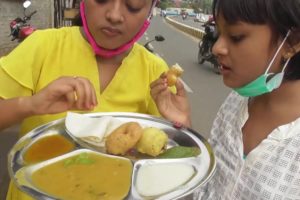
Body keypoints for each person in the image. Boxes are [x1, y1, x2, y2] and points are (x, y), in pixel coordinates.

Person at [0, 0, 170, 199]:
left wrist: (182, 123)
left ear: (150, 10)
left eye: (133, 5)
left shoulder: (157, 73)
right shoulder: (42, 46)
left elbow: (169, 159)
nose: (114, 15)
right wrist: (30, 104)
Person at [150, 0, 300, 199]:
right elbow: (207, 188)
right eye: (220, 34)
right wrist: (186, 130)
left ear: (290, 43)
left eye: (236, 37)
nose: (216, 48)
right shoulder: (236, 102)